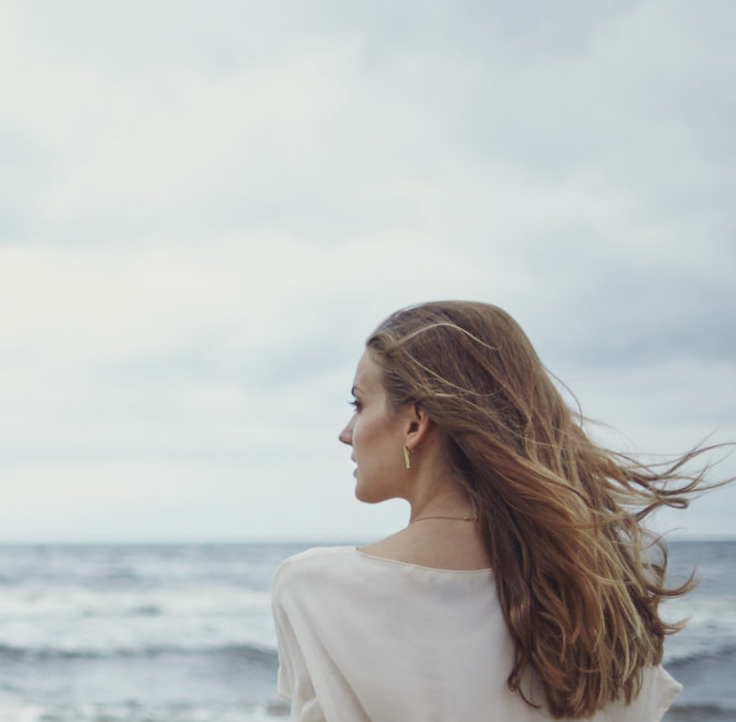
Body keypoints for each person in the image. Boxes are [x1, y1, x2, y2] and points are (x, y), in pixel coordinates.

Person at [273, 301, 726, 721]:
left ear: (414, 423)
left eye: (359, 403)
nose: (346, 433)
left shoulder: (315, 589)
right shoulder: (601, 599)